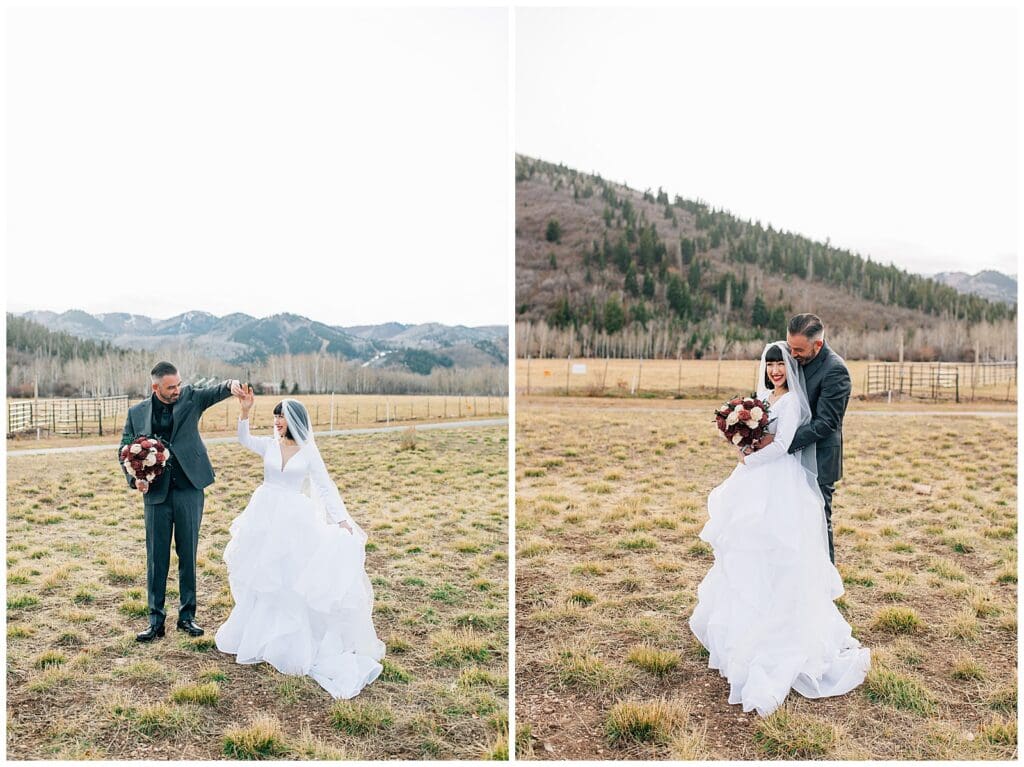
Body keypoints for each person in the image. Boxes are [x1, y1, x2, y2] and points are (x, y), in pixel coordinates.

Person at [689, 341, 869, 716]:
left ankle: (780, 632)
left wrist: (749, 459)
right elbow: (758, 437)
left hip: (778, 482)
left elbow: (784, 443)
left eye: (780, 364)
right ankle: (743, 626)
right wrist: (741, 439)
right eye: (770, 365)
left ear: (791, 367)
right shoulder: (763, 397)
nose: (774, 371)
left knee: (780, 549)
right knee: (747, 549)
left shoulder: (792, 402)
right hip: (756, 479)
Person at [215, 389, 384, 699]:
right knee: (262, 576)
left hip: (294, 519)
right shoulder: (268, 444)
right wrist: (245, 411)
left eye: (282, 416)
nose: (277, 421)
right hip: (264, 513)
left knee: (290, 577)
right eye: (275, 416)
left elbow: (325, 486)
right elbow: (243, 439)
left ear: (294, 421)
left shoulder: (308, 451)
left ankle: (289, 639)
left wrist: (342, 520)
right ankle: (258, 634)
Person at [118, 361, 242, 642]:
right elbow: (124, 448)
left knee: (188, 553)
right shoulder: (136, 412)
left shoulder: (190, 398)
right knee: (156, 558)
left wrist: (231, 385)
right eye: (170, 387)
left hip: (189, 488)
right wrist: (134, 479)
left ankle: (188, 617)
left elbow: (216, 391)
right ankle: (155, 621)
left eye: (178, 384)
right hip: (156, 494)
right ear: (155, 387)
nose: (176, 390)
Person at [750, 313, 851, 563]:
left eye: (798, 350)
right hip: (785, 462)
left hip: (819, 457)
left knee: (816, 520)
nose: (792, 354)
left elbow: (826, 423)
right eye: (790, 346)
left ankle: (824, 585)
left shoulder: (835, 371)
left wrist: (778, 442)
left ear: (817, 345)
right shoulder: (793, 355)